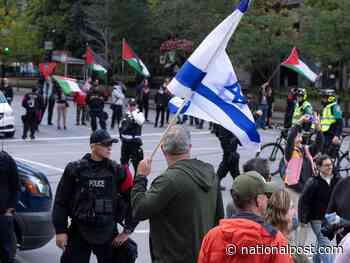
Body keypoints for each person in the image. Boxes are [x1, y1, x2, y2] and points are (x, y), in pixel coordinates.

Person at [132, 125, 224, 263]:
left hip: (173, 257)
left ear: (163, 149)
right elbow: (219, 218)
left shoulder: (169, 180)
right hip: (204, 255)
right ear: (190, 147)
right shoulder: (211, 174)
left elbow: (139, 210)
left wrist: (140, 178)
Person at [52, 130, 138, 263]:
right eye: (105, 144)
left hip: (107, 231)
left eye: (111, 144)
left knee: (125, 255)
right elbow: (60, 202)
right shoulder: (75, 169)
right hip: (80, 230)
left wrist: (127, 231)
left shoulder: (119, 171)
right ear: (93, 146)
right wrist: (60, 231)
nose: (109, 147)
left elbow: (133, 200)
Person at [198, 171, 292, 263]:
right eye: (265, 195)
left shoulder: (212, 237)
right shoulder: (275, 240)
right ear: (258, 200)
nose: (267, 199)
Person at [299, 154, 339, 263]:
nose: (330, 167)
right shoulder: (313, 182)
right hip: (316, 218)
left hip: (330, 217)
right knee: (325, 242)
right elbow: (303, 201)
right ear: (319, 167)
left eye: (331, 164)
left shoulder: (336, 179)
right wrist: (303, 220)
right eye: (326, 165)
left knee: (320, 242)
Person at [265, 190, 310, 263]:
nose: (295, 211)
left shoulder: (264, 233)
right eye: (291, 207)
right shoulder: (286, 246)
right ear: (282, 213)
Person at [0, 151, 19, 263]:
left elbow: (16, 186)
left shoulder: (6, 160)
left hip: (2, 215)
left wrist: (9, 210)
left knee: (6, 252)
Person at [119, 98, 145, 172]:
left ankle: (136, 181)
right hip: (125, 142)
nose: (132, 107)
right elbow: (121, 126)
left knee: (136, 164)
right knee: (123, 164)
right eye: (130, 105)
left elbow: (140, 121)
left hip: (134, 142)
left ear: (136, 106)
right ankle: (124, 180)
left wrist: (133, 113)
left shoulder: (139, 114)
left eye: (133, 105)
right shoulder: (125, 114)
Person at [214, 124, 240, 190]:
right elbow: (244, 124)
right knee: (231, 160)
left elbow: (216, 128)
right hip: (229, 139)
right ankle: (239, 183)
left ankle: (216, 182)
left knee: (227, 162)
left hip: (226, 138)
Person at [319, 89, 343, 159]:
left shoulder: (335, 107)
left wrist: (337, 135)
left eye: (324, 97)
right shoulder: (326, 107)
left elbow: (340, 122)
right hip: (325, 134)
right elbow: (325, 121)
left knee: (327, 157)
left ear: (330, 98)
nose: (322, 99)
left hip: (331, 135)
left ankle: (333, 169)